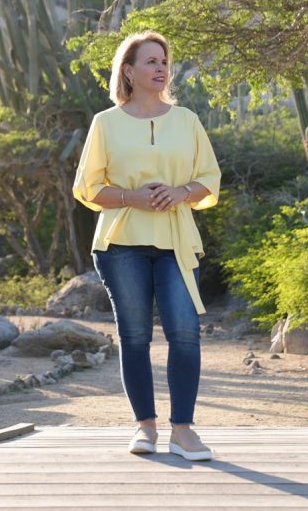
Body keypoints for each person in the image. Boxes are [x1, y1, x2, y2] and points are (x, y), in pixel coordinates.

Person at [72, 30, 221, 461]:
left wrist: (181, 192)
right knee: (134, 337)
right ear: (128, 71)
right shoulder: (105, 123)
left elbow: (209, 180)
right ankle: (146, 428)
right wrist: (131, 197)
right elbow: (87, 188)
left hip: (176, 241)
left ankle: (183, 432)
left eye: (164, 61)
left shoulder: (187, 120)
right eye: (151, 61)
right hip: (121, 244)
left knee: (185, 334)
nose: (161, 68)